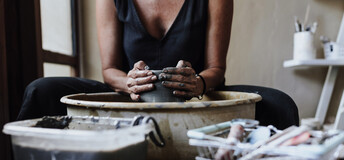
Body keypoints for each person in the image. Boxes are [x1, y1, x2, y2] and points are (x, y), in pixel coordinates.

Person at [17, 0, 298, 130]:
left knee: (279, 105)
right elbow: (109, 70)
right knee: (41, 90)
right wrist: (128, 82)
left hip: (195, 100)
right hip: (129, 99)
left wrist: (198, 82)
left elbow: (216, 69)